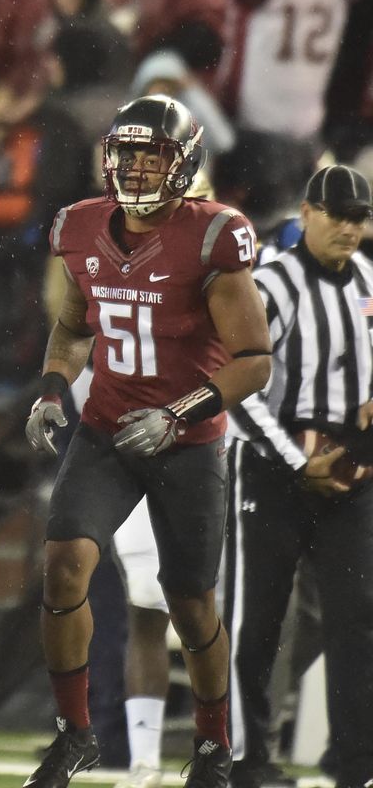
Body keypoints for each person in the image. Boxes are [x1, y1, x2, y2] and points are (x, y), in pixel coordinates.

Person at [23, 94, 273, 788]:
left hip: (188, 441)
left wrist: (178, 413)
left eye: (152, 153)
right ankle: (75, 733)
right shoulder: (79, 226)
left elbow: (253, 358)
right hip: (106, 429)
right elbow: (75, 327)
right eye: (125, 152)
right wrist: (50, 386)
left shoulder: (212, 234)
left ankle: (213, 743)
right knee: (64, 564)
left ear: (184, 161)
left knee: (189, 602)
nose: (135, 167)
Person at [225, 164, 373, 788]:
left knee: (358, 613)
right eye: (337, 213)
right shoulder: (271, 286)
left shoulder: (369, 280)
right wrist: (293, 461)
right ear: (307, 212)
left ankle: (356, 763)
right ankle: (246, 758)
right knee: (257, 621)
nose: (349, 227)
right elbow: (237, 384)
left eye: (360, 216)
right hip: (270, 470)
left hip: (349, 472)